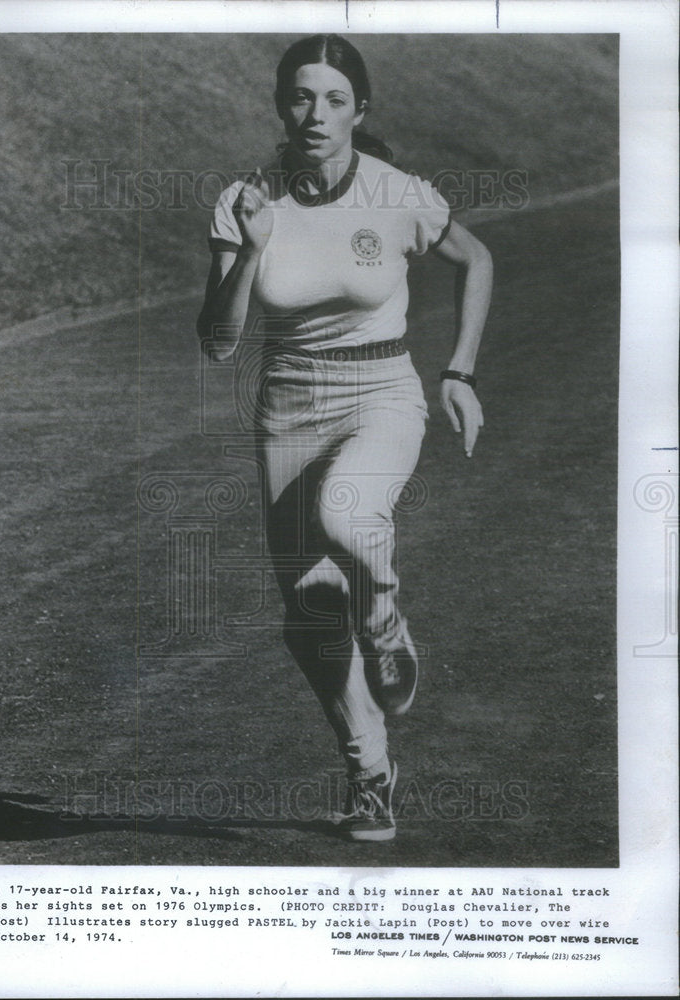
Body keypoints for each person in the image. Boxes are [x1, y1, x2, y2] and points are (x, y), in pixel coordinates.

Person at [197, 34, 492, 841]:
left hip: (382, 393)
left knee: (346, 514)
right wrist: (250, 253)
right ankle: (370, 775)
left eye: (333, 98)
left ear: (360, 111)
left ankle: (387, 618)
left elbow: (476, 261)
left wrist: (457, 372)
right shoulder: (245, 202)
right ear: (279, 106)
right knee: (309, 612)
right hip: (287, 410)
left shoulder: (398, 194)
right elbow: (218, 340)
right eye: (300, 96)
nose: (315, 114)